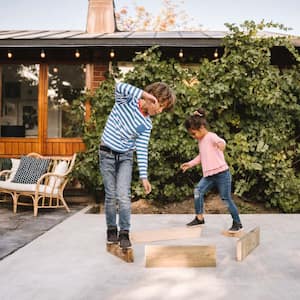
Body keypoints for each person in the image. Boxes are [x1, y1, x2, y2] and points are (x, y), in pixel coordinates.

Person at [100, 81, 176, 248]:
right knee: (111, 195)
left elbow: (142, 149)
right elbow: (119, 86)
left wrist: (144, 176)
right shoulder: (125, 101)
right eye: (160, 106)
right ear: (152, 99)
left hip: (126, 157)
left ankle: (124, 232)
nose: (160, 111)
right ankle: (111, 229)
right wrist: (146, 95)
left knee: (124, 196)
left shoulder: (146, 124)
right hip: (106, 154)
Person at [180, 108, 243, 233]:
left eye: (194, 133)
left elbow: (221, 141)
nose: (193, 136)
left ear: (202, 127)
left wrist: (222, 145)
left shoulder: (210, 136)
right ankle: (199, 218)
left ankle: (237, 222)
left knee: (225, 198)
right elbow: (201, 156)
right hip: (209, 175)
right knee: (198, 191)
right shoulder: (201, 141)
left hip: (222, 174)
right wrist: (190, 164)